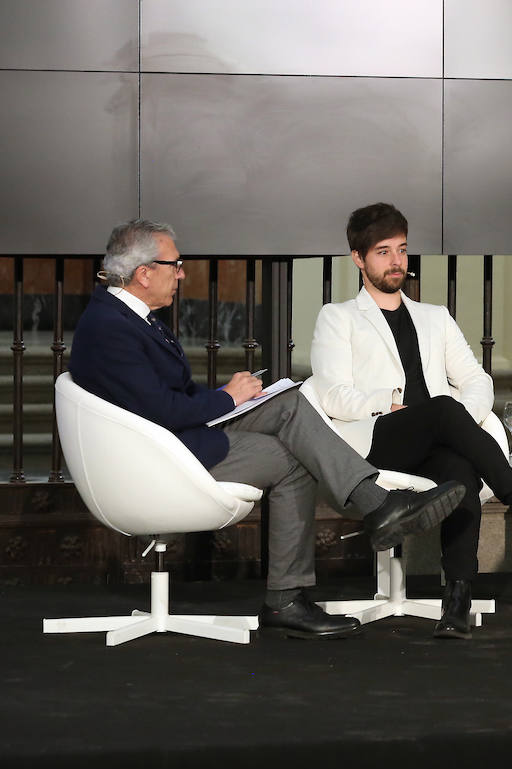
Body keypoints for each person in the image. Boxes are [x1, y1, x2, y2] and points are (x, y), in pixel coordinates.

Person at [68, 220, 465, 639]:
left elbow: (163, 399)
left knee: (288, 402)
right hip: (163, 454)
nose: (182, 273)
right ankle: (301, 584)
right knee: (291, 461)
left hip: (175, 437)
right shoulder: (111, 327)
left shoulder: (131, 317)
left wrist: (230, 395)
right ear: (145, 272)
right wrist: (227, 397)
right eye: (176, 264)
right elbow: (163, 410)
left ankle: (369, 514)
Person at [308, 202, 512, 639]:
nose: (396, 261)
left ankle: (456, 600)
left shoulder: (434, 317)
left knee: (459, 470)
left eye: (401, 249)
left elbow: (477, 381)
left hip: (438, 438)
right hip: (378, 440)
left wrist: (461, 418)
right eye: (382, 251)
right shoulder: (339, 317)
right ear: (358, 258)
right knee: (442, 408)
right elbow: (331, 394)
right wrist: (392, 402)